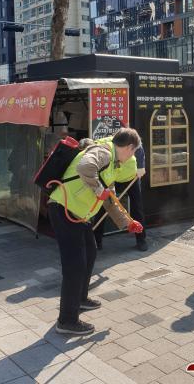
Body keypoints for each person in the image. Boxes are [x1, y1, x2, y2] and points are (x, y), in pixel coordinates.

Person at [47, 128, 144, 335]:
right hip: (64, 209)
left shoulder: (113, 163)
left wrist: (127, 222)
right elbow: (85, 167)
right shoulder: (104, 152)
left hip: (78, 215)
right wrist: (99, 190)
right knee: (75, 265)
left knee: (90, 254)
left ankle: (80, 299)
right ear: (129, 147)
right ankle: (66, 320)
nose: (133, 157)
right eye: (134, 152)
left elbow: (110, 199)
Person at [93, 142, 148, 251]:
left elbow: (139, 146)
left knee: (137, 207)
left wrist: (141, 166)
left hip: (131, 176)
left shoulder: (129, 138)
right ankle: (96, 240)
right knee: (102, 206)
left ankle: (141, 239)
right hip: (111, 177)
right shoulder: (106, 143)